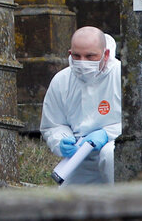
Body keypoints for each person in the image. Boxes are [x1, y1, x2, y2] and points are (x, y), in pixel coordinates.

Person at [40, 26, 121, 186]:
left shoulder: (120, 75)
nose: (83, 62)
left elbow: (141, 124)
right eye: (77, 56)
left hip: (114, 152)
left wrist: (107, 134)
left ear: (105, 54)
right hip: (79, 157)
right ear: (70, 53)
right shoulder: (62, 80)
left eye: (90, 56)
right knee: (69, 206)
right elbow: (53, 124)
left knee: (109, 154)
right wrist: (62, 141)